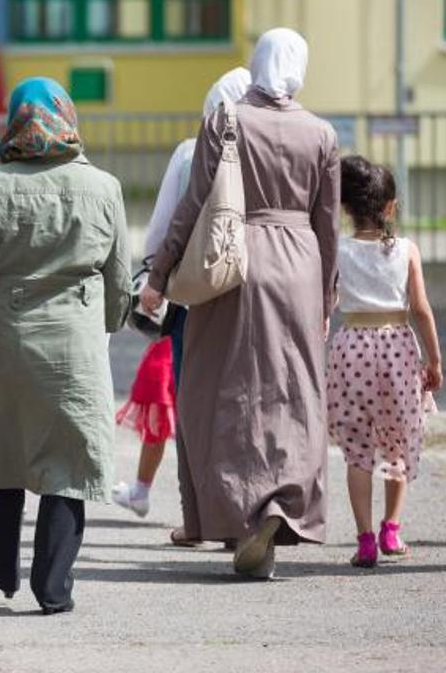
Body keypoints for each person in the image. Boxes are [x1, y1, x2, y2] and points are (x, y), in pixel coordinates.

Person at [141, 28, 340, 580]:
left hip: (232, 263)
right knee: (291, 391)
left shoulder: (225, 118)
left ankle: (239, 516)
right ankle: (280, 502)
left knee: (220, 390)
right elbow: (329, 227)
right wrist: (326, 298)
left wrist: (158, 275)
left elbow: (193, 204)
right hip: (299, 266)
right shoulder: (320, 133)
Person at [0, 78, 131, 615]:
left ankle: (1, 567)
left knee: (2, 454)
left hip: (4, 340)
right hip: (74, 342)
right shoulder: (104, 187)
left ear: (14, 120)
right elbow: (119, 278)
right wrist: (105, 322)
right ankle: (54, 588)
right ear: (68, 118)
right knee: (67, 463)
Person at [111, 67, 252, 524]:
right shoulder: (268, 148)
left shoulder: (191, 152)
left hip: (194, 292)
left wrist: (154, 276)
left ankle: (198, 516)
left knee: (192, 399)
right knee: (244, 398)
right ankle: (245, 505)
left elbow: (163, 226)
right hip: (254, 294)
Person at [327, 156, 441, 568]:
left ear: (346, 209)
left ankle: (364, 540)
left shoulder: (338, 249)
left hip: (352, 345)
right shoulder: (406, 250)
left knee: (357, 450)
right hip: (397, 346)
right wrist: (435, 359)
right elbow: (422, 309)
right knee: (396, 441)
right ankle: (392, 529)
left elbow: (328, 301)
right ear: (391, 207)